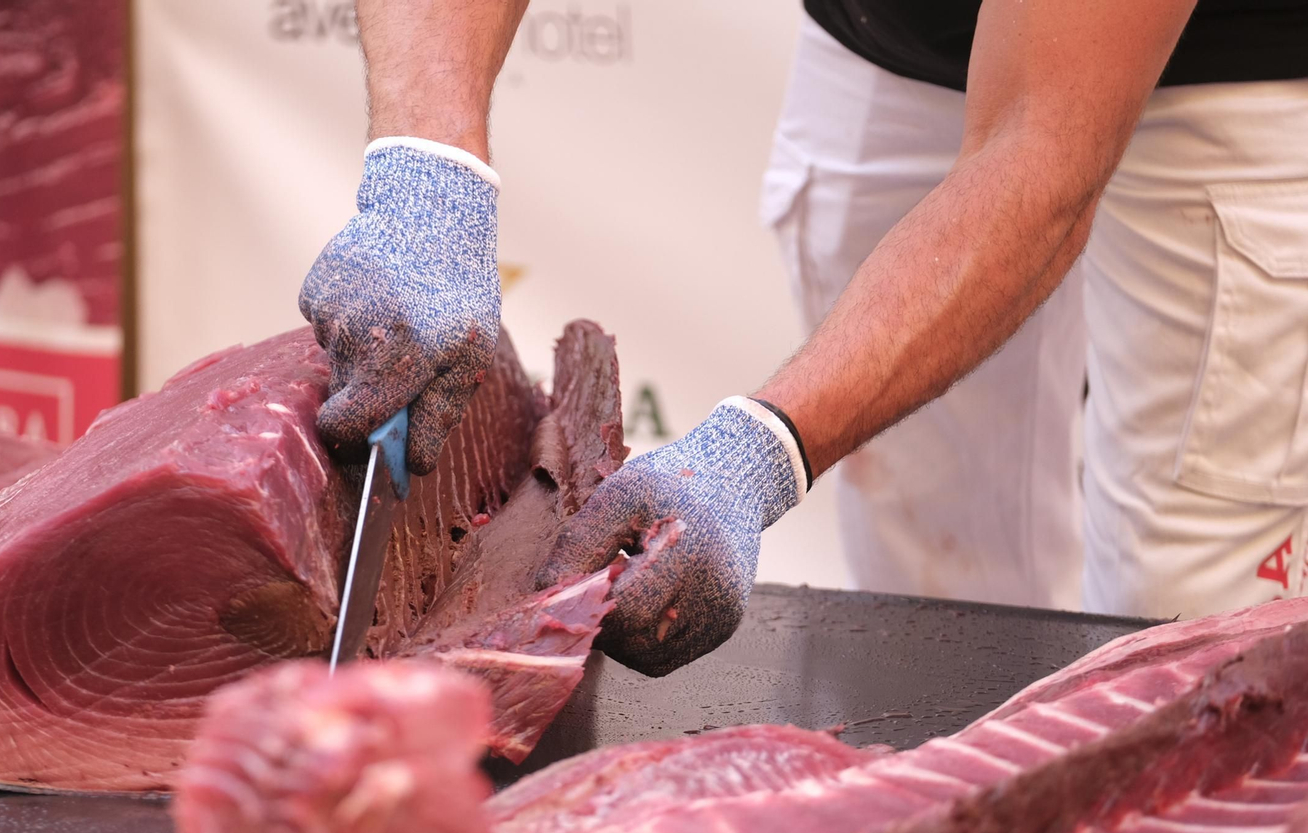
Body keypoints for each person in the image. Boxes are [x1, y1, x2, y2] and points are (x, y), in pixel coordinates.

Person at [298, 0, 1308, 676]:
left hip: (1231, 74)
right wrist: (427, 166)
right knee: (930, 607)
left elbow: (1041, 151)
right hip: (889, 37)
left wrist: (759, 451)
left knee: (1190, 654)